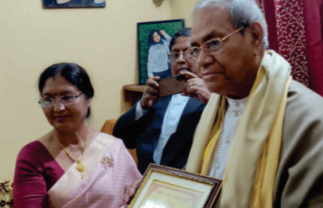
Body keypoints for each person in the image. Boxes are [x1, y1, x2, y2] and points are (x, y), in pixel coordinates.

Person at [183, 0, 323, 207]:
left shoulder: (308, 119)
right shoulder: (214, 111)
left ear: (255, 35)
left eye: (214, 43)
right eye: (196, 49)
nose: (201, 62)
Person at [13, 63, 141, 208]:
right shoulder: (32, 156)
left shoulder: (112, 147)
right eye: (48, 99)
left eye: (67, 97)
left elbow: (138, 197)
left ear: (88, 99)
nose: (58, 108)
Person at [113, 27, 211, 174]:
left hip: (187, 184)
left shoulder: (215, 97)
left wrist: (211, 99)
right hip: (146, 183)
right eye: (175, 55)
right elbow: (121, 138)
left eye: (189, 52)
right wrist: (141, 107)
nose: (180, 59)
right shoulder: (157, 95)